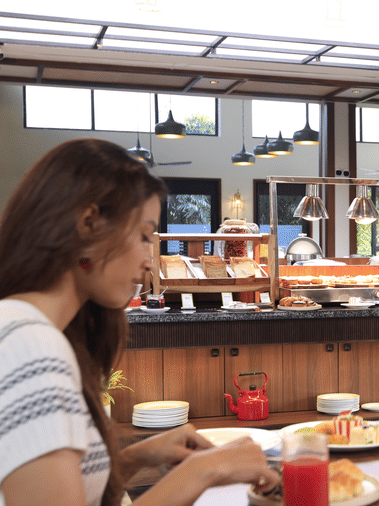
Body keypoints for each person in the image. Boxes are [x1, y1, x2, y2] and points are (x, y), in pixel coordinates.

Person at [0, 139, 279, 506]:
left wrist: (134, 457)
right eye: (145, 236)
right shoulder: (29, 344)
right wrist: (203, 471)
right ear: (88, 225)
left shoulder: (28, 331)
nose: (150, 261)